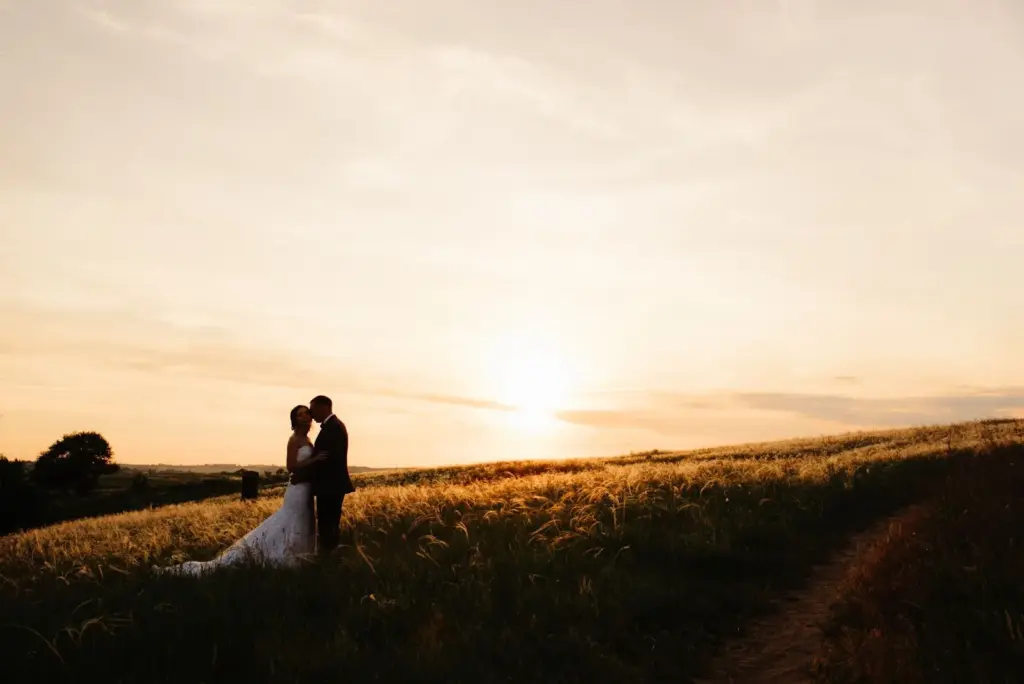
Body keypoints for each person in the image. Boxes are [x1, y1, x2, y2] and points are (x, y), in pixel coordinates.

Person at [152, 405, 325, 576]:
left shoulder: (308, 439)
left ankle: (301, 556)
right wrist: (314, 460)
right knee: (293, 520)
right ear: (294, 419)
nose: (305, 417)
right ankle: (287, 556)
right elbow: (291, 466)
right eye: (300, 414)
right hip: (297, 490)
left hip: (306, 488)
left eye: (306, 414)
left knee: (305, 520)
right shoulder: (294, 439)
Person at [292, 395, 356, 554]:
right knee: (328, 524)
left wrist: (303, 477)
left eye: (312, 410)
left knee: (328, 524)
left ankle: (328, 556)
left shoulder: (333, 428)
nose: (311, 415)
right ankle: (329, 555)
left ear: (323, 407)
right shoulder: (332, 426)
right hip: (329, 485)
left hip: (330, 486)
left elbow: (326, 462)